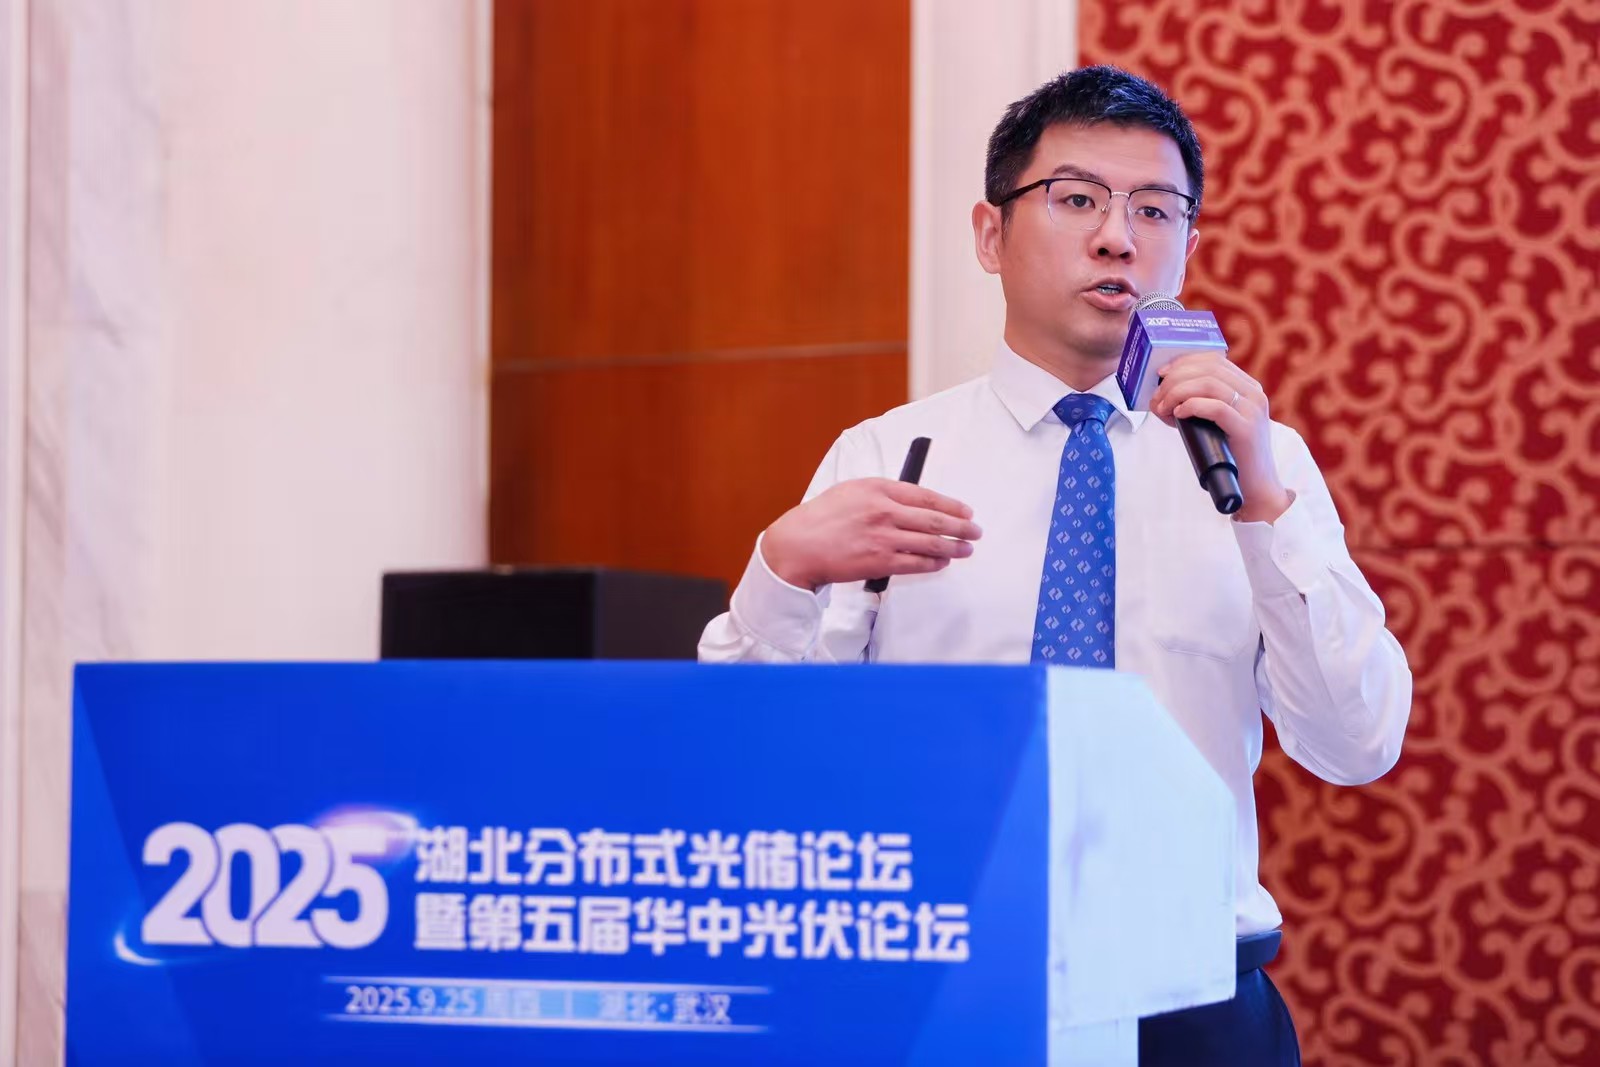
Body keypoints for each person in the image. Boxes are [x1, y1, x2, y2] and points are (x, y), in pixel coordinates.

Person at [699, 64, 1411, 1066]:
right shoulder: (892, 455)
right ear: (990, 235)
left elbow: (1356, 741)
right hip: (941, 979)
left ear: (1189, 245)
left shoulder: (1255, 463)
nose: (1118, 237)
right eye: (1076, 199)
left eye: (1154, 210)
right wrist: (780, 570)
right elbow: (753, 757)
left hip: (1192, 998)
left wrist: (1265, 510)